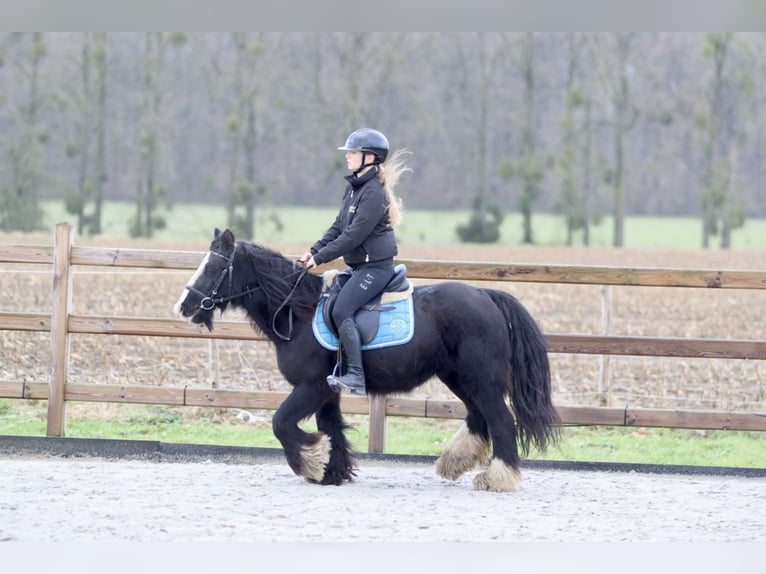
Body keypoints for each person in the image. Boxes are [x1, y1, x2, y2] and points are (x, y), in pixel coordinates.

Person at [300, 128, 410, 395]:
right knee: (331, 303)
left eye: (353, 153)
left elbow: (353, 236)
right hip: (359, 267)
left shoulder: (373, 193)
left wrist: (321, 258)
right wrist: (314, 250)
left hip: (376, 269)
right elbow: (338, 226)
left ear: (370, 157)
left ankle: (357, 377)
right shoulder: (354, 189)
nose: (348, 157)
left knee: (340, 310)